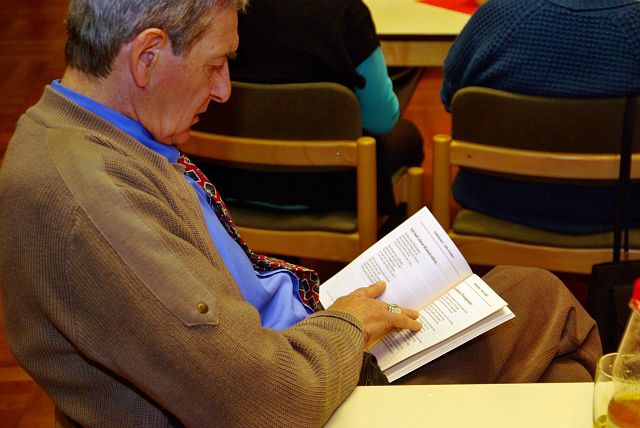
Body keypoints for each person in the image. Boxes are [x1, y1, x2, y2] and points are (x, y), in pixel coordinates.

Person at [0, 0, 600, 426]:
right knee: (547, 305)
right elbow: (257, 400)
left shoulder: (87, 135)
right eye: (215, 64)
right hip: (303, 386)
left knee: (559, 371)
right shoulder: (92, 208)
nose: (224, 90)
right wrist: (347, 326)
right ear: (148, 56)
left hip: (297, 344)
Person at [192, 0, 425, 216]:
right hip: (332, 189)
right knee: (409, 138)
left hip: (227, 184)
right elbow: (382, 120)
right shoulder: (347, 13)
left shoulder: (221, 9)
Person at [440, 0, 640, 234]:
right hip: (623, 209)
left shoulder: (498, 17)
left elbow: (450, 98)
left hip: (496, 201)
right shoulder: (633, 28)